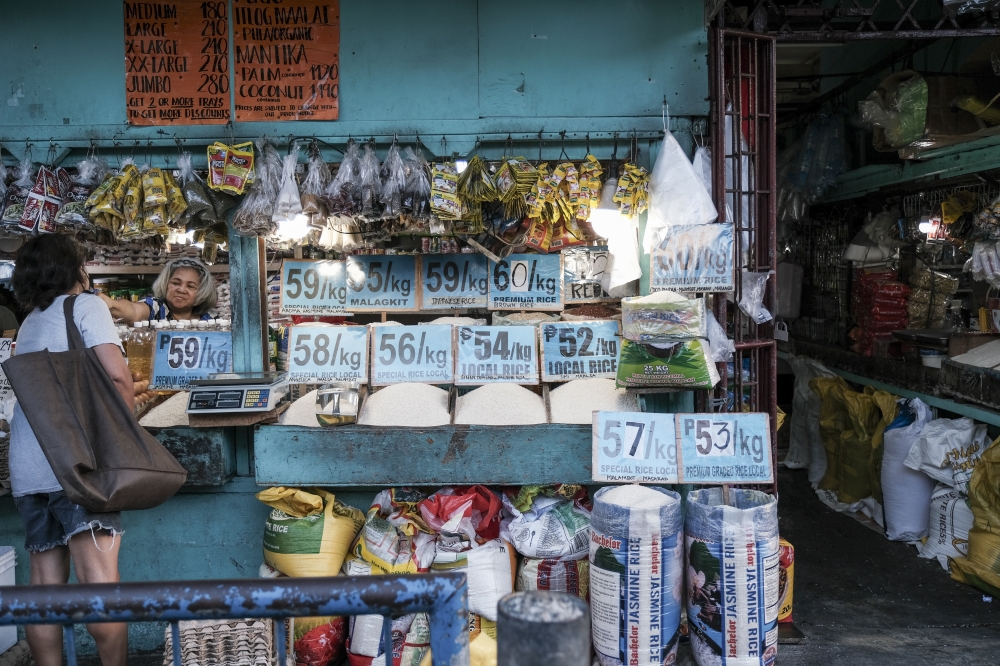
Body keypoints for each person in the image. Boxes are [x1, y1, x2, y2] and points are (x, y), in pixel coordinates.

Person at [9, 235, 132, 666]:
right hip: (76, 463)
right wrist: (128, 433)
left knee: (45, 583)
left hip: (29, 463)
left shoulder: (29, 322)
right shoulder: (84, 306)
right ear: (74, 267)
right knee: (99, 581)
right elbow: (117, 380)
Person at [101, 257, 217, 324]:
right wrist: (112, 304)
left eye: (190, 286)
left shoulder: (209, 321)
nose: (181, 290)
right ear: (165, 284)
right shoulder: (156, 307)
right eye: (175, 283)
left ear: (202, 292)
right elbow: (134, 311)